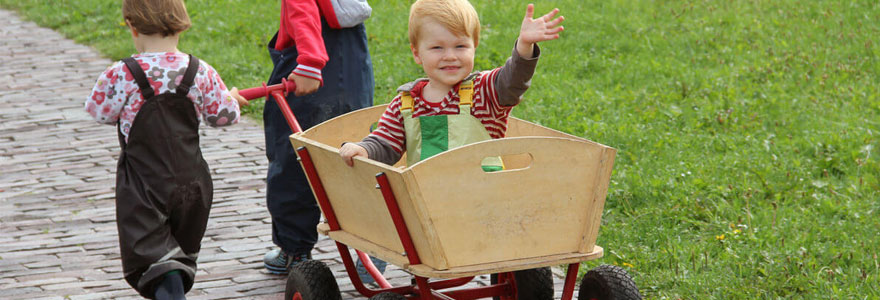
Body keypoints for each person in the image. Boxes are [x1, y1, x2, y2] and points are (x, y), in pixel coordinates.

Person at [338, 0, 564, 282]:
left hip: (483, 203)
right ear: (417, 53)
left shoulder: (484, 93)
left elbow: (512, 81)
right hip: (428, 208)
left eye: (460, 46)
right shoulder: (407, 103)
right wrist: (363, 147)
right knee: (387, 203)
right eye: (437, 48)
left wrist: (524, 47)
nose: (450, 56)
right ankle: (379, 254)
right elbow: (386, 143)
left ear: (474, 47)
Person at [84, 0, 247, 299]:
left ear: (132, 26)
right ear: (181, 21)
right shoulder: (200, 71)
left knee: (156, 263)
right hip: (193, 183)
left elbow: (99, 111)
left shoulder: (122, 73)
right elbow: (223, 116)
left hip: (144, 185)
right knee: (179, 257)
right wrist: (231, 98)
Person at [261, 0, 375, 275]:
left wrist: (310, 64)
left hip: (309, 82)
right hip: (354, 79)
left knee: (294, 164)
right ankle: (371, 245)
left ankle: (294, 250)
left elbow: (303, 14)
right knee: (352, 160)